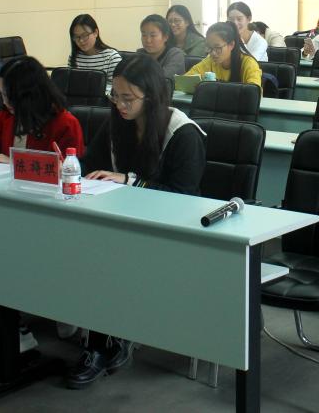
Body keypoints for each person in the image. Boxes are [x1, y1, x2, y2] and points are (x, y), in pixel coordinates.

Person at [68, 54, 206, 389]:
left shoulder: (182, 133)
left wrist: (129, 180)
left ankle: (101, 346)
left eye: (128, 98)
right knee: (78, 243)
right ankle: (103, 333)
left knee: (104, 255)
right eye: (115, 96)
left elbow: (183, 197)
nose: (120, 105)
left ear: (152, 96)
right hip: (125, 222)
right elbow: (91, 163)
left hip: (173, 230)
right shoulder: (117, 123)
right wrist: (68, 168)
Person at [0, 56, 84, 163]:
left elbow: (68, 170)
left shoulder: (65, 124)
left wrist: (15, 162)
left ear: (30, 94)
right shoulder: (8, 114)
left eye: (10, 96)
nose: (5, 102)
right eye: (2, 95)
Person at [185, 22, 262, 89]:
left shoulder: (249, 63)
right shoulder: (210, 61)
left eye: (218, 48)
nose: (213, 53)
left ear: (231, 45)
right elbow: (185, 80)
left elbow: (254, 92)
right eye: (209, 47)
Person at [69, 14, 122, 89]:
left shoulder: (112, 57)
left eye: (85, 35)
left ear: (95, 32)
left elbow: (116, 89)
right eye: (77, 37)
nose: (81, 40)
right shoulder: (75, 56)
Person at [137, 14, 185, 79]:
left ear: (165, 37)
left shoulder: (175, 54)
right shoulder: (141, 53)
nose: (148, 40)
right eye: (144, 35)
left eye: (153, 35)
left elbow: (162, 78)